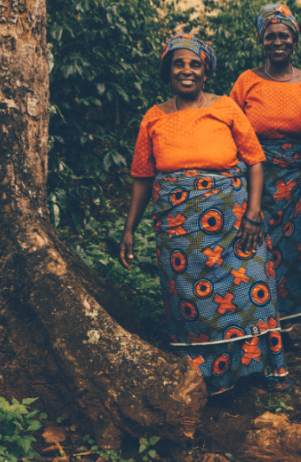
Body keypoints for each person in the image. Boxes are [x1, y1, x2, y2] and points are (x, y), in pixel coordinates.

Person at [120, 34, 287, 395]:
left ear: (205, 71)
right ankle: (209, 377)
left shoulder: (226, 108)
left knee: (250, 288)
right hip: (179, 230)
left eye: (194, 64)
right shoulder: (154, 117)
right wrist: (129, 228)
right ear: (167, 71)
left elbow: (255, 161)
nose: (186, 70)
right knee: (192, 301)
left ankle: (258, 370)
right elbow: (142, 177)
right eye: (178, 63)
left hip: (235, 225)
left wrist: (254, 213)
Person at [230, 4, 301, 389]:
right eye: (271, 35)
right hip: (257, 185)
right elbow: (230, 129)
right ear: (261, 40)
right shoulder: (246, 82)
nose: (278, 41)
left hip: (299, 183)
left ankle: (281, 331)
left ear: (295, 40)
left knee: (294, 258)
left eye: (284, 35)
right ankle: (263, 335)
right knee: (259, 259)